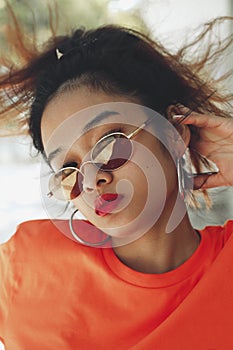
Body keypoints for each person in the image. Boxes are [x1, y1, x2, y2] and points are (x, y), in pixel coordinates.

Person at [0, 8, 232, 349]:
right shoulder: (25, 265)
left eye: (110, 145)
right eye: (68, 170)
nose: (92, 180)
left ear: (172, 133)